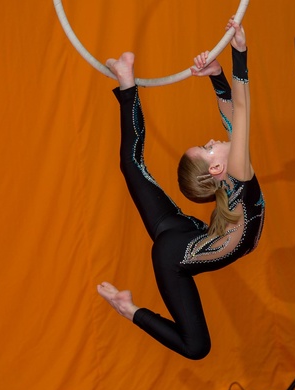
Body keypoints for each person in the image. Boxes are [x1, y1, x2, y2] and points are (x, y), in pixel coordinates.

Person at [97, 19, 265, 360]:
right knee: (196, 347)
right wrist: (239, 51)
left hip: (186, 234)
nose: (212, 140)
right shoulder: (238, 172)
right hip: (175, 253)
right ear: (216, 169)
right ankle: (129, 308)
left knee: (132, 165)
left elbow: (232, 115)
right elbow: (240, 111)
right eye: (207, 148)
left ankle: (126, 81)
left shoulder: (233, 176)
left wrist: (217, 74)